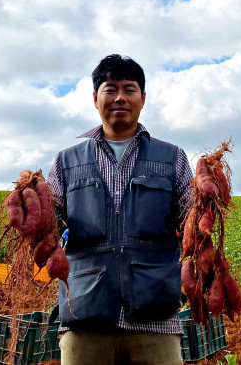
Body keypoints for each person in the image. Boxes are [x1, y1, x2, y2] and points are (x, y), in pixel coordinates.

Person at [47, 54, 192, 365]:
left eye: (130, 89)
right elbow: (48, 227)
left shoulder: (172, 158)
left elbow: (194, 224)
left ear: (143, 98)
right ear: (95, 98)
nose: (120, 98)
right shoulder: (66, 161)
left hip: (155, 320)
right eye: (110, 89)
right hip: (84, 315)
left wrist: (210, 204)